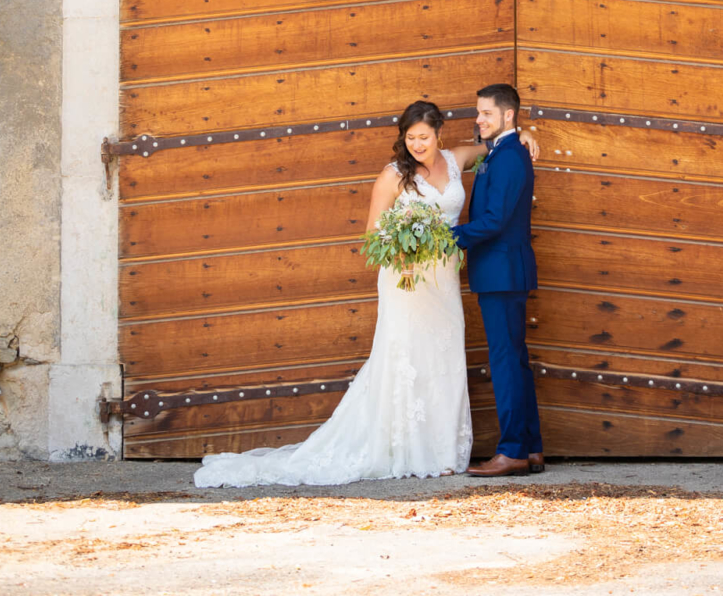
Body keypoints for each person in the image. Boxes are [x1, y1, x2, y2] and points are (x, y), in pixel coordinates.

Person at [193, 99, 538, 487]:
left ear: (439, 135)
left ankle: (441, 451)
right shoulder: (392, 175)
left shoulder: (458, 159)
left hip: (443, 281)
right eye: (410, 138)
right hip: (405, 280)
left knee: (443, 357)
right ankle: (403, 448)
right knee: (405, 356)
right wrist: (407, 249)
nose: (418, 145)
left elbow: (497, 145)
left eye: (424, 137)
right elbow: (374, 234)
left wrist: (522, 133)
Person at [452, 83, 544, 478]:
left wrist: (446, 237)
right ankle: (531, 447)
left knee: (506, 362)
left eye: (486, 113)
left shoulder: (508, 157)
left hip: (502, 275)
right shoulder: (502, 151)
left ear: (508, 115)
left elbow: (493, 221)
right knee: (516, 362)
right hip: (501, 273)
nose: (479, 119)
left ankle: (511, 451)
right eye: (478, 112)